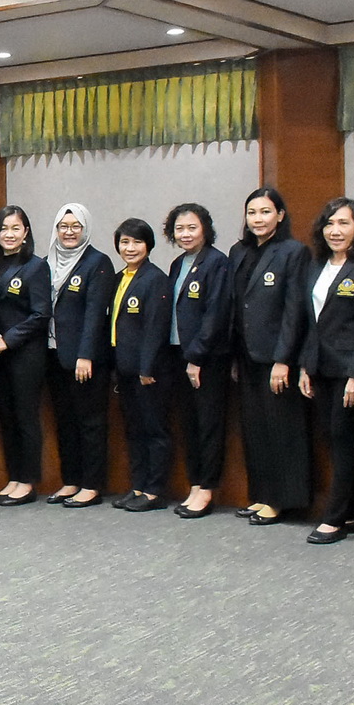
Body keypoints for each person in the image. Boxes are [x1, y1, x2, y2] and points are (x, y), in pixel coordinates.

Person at [297, 198, 354, 545]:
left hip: (352, 372)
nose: (336, 230)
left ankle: (334, 519)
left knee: (343, 439)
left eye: (344, 224)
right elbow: (311, 323)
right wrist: (306, 366)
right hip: (320, 368)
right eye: (330, 223)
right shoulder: (317, 266)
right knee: (333, 441)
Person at [229, 187, 311, 525]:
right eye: (252, 213)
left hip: (277, 358)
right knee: (255, 429)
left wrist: (284, 359)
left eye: (265, 212)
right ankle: (261, 494)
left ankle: (282, 500)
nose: (257, 219)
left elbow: (295, 310)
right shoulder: (239, 251)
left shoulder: (294, 252)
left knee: (282, 430)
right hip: (246, 355)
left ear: (280, 215)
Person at [163, 204, 232, 519]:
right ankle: (194, 483)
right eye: (179, 228)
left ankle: (207, 488)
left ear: (205, 228)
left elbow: (215, 316)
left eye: (192, 227)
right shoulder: (178, 264)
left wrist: (196, 357)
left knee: (208, 425)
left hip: (205, 360)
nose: (185, 234)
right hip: (179, 355)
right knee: (189, 424)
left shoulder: (217, 263)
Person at [44, 203, 114, 508]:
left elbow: (95, 314)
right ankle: (71, 480)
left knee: (90, 422)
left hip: (84, 359)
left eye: (75, 227)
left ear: (85, 229)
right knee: (65, 422)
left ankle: (92, 484)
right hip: (53, 354)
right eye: (63, 226)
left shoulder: (98, 263)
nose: (69, 232)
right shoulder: (47, 262)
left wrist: (85, 355)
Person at [108, 219, 174, 512]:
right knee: (134, 432)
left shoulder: (155, 279)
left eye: (136, 242)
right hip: (124, 369)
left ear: (148, 245)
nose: (130, 248)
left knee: (154, 431)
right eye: (124, 242)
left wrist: (147, 368)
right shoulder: (119, 277)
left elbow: (155, 328)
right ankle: (137, 486)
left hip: (149, 372)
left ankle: (154, 491)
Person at [0, 206, 50, 506]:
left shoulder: (36, 267)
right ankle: (13, 476)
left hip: (25, 354)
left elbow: (40, 314)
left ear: (26, 232)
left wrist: (7, 341)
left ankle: (28, 481)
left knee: (26, 417)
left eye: (15, 228)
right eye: (3, 229)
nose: (9, 234)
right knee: (7, 417)